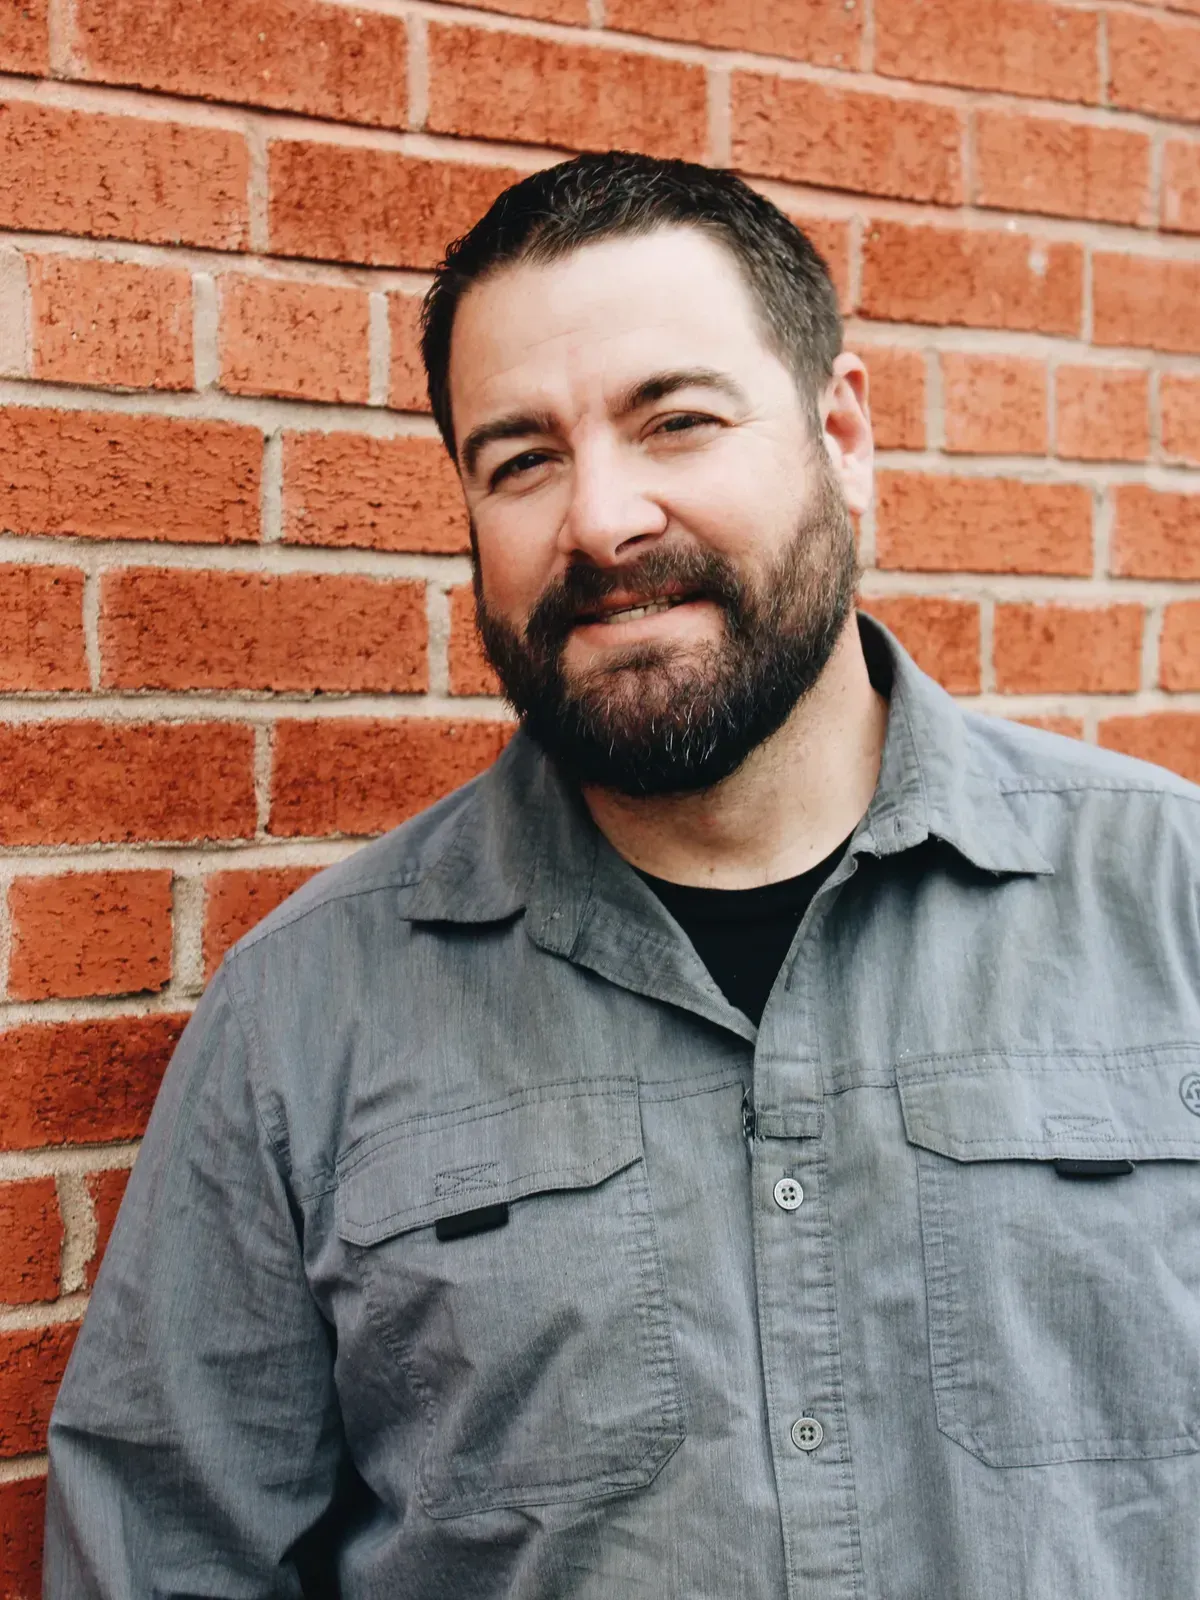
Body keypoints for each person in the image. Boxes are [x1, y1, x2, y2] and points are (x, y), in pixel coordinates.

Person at [45, 152, 1200, 1599]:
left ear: (841, 434)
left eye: (678, 422)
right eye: (522, 459)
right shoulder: (306, 1019)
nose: (600, 522)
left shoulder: (1175, 902)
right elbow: (164, 1558)